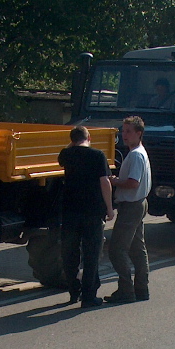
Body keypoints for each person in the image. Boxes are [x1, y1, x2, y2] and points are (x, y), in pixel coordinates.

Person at [58, 126, 114, 308]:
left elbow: (66, 151)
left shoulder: (66, 155)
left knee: (70, 253)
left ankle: (74, 291)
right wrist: (110, 208)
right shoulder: (98, 155)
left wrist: (73, 142)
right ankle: (89, 296)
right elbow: (105, 182)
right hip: (92, 212)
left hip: (70, 212)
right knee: (91, 254)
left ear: (72, 139)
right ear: (89, 137)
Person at [106, 116, 152, 303]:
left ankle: (126, 290)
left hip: (132, 205)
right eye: (123, 131)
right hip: (138, 202)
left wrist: (115, 181)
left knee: (117, 249)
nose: (124, 135)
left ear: (139, 133)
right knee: (136, 248)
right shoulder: (138, 152)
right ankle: (141, 288)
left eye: (128, 132)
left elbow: (133, 183)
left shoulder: (135, 155)